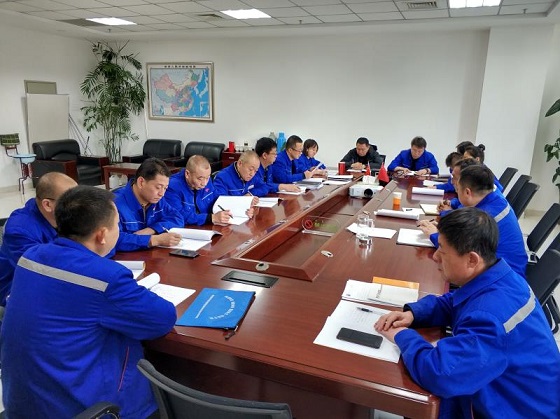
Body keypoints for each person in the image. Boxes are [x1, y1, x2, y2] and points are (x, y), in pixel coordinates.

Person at [1, 186, 177, 418]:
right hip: (76, 408)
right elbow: (162, 319)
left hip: (22, 402)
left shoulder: (31, 257)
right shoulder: (106, 278)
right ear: (102, 235)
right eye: (117, 225)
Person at [375, 207, 560, 419]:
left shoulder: (490, 317)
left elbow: (440, 373)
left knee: (420, 396)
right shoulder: (500, 275)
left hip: (515, 409)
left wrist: (402, 336)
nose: (435, 256)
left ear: (472, 260)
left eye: (442, 251)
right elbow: (456, 301)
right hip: (506, 388)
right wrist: (414, 314)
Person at [419, 165, 527, 277]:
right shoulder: (493, 199)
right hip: (506, 269)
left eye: (457, 189)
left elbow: (459, 252)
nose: (456, 192)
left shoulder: (484, 216)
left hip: (500, 276)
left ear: (467, 192)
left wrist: (434, 235)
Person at [0, 172, 77, 307]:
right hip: (16, 288)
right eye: (72, 202)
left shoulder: (64, 216)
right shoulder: (19, 229)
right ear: (47, 204)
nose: (79, 206)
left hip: (54, 280)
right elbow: (42, 270)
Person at [114, 157, 183, 251]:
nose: (162, 194)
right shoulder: (114, 204)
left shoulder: (156, 199)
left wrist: (152, 230)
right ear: (141, 182)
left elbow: (177, 217)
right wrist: (154, 240)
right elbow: (113, 240)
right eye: (158, 187)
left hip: (149, 254)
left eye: (165, 188)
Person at [165, 155, 233, 225]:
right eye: (200, 179)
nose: (204, 183)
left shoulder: (206, 178)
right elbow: (178, 215)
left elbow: (216, 198)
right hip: (186, 228)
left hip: (207, 226)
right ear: (187, 174)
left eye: (207, 178)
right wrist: (211, 218)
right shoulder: (172, 187)